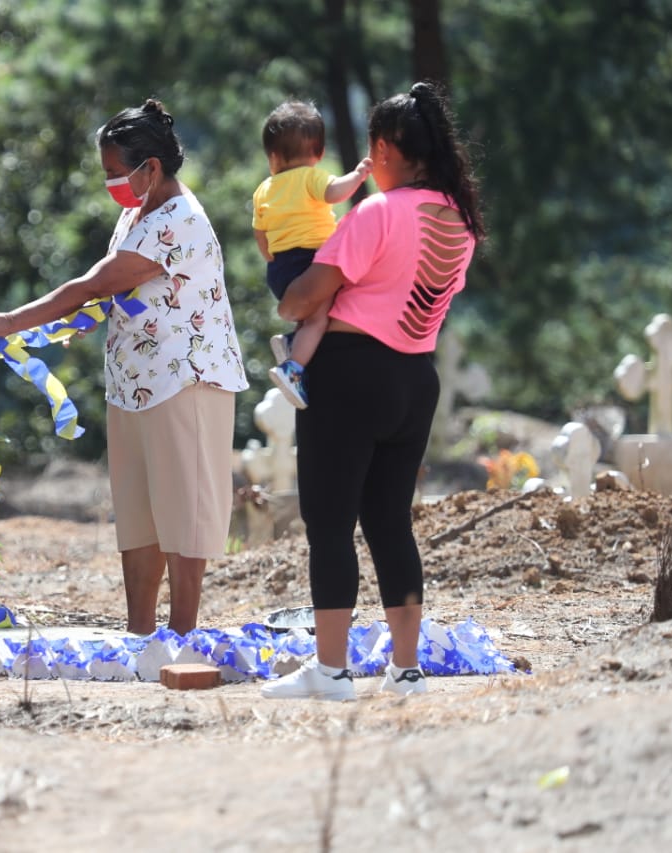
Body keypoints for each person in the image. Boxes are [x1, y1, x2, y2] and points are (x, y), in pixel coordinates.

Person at [0, 99, 248, 636]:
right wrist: (81, 321)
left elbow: (92, 283)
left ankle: (182, 635)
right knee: (138, 518)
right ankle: (141, 636)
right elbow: (116, 293)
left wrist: (12, 321)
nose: (111, 184)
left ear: (152, 168)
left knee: (185, 517)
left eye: (116, 174)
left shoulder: (179, 220)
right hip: (134, 383)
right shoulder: (135, 212)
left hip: (184, 379)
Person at [260, 81, 484, 701]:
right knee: (390, 525)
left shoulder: (378, 213)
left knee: (329, 523)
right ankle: (405, 670)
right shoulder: (458, 220)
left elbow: (300, 300)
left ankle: (331, 672)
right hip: (415, 381)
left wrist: (293, 291)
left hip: (350, 374)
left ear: (385, 147)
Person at [253, 100, 372, 409]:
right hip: (310, 261)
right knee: (319, 319)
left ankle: (293, 343)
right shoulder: (311, 176)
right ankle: (293, 369)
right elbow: (335, 192)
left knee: (310, 316)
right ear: (318, 154)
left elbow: (261, 235)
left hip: (279, 269)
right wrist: (358, 175)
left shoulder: (264, 189)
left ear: (273, 157)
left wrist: (271, 259)